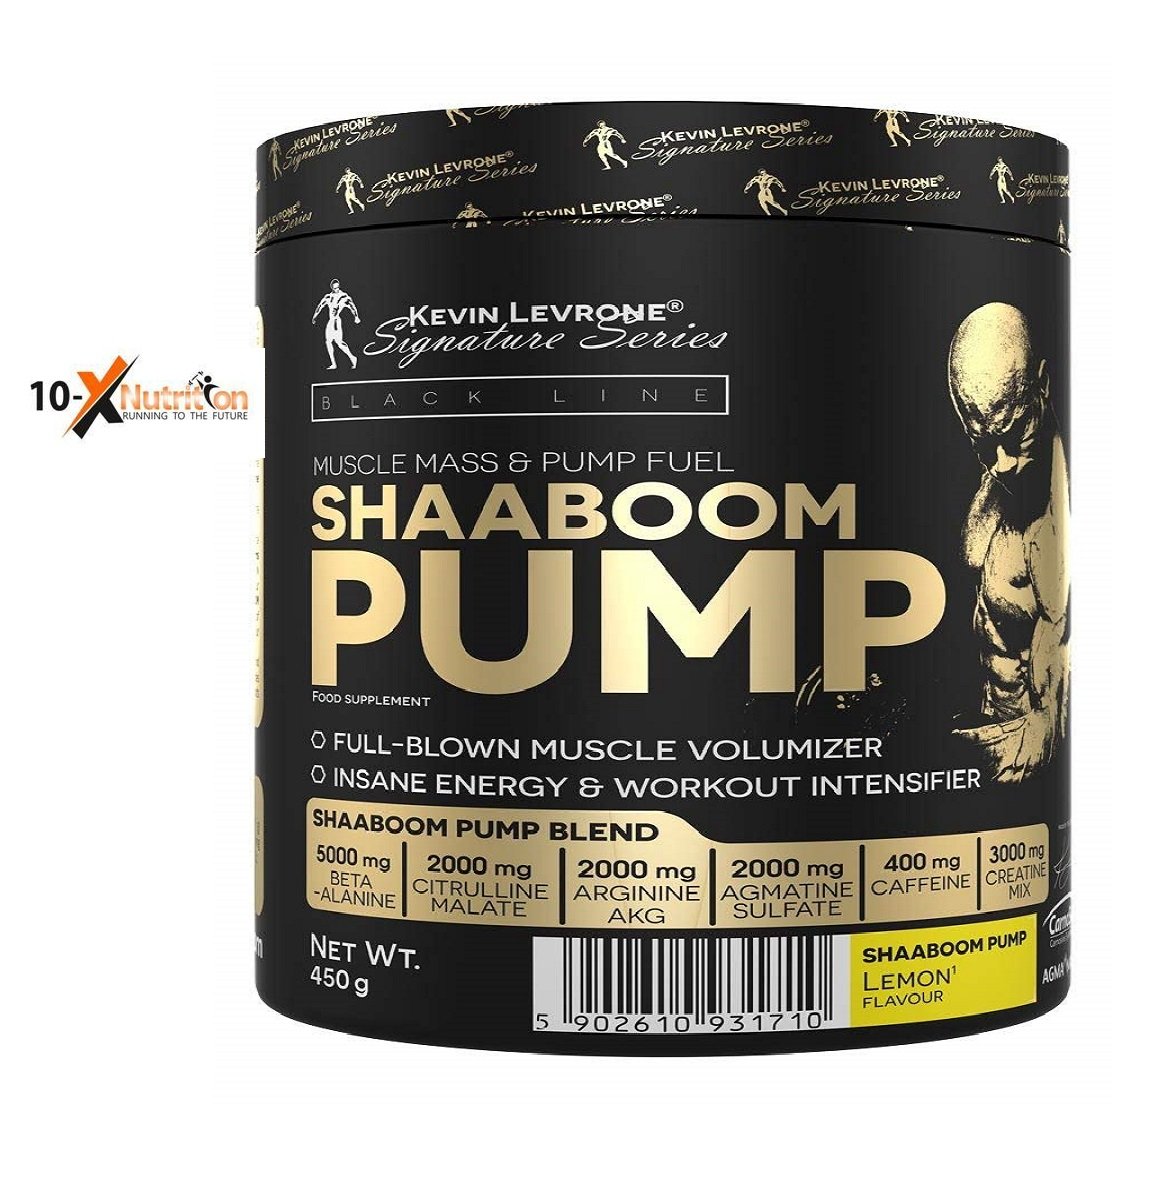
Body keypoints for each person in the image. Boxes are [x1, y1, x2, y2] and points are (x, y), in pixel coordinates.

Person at [948, 302, 1069, 782]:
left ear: (1042, 384)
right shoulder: (1001, 480)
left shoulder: (1055, 520)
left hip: (1023, 759)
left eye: (1014, 432)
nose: (999, 461)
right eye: (980, 440)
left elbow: (1054, 695)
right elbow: (971, 557)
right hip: (990, 724)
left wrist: (1026, 743)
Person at [312, 279, 361, 370]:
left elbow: (352, 306)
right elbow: (320, 306)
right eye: (335, 288)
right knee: (328, 342)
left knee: (339, 343)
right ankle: (333, 363)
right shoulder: (328, 297)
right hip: (330, 322)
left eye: (338, 287)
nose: (337, 289)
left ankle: (352, 358)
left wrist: (356, 317)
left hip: (336, 322)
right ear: (332, 288)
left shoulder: (343, 296)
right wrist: (314, 316)